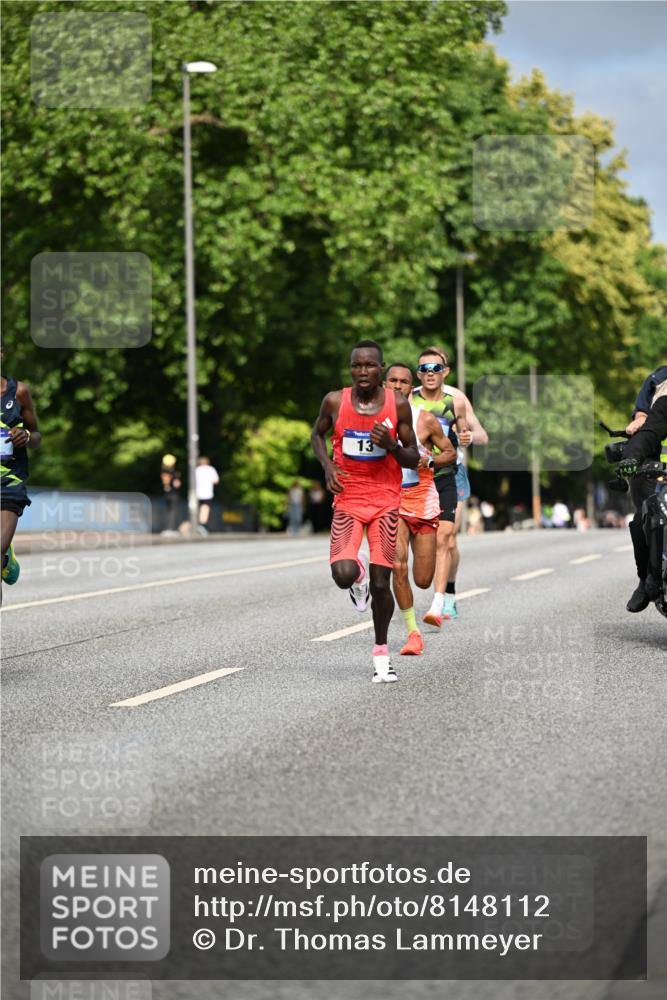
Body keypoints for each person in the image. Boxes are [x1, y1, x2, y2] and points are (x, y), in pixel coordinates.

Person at [311, 340, 419, 682]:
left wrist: (392, 446)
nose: (362, 372)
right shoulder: (334, 400)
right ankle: (358, 581)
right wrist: (328, 466)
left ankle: (381, 655)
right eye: (356, 366)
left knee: (382, 581)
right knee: (343, 574)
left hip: (386, 500)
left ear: (381, 369)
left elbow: (414, 457)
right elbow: (317, 435)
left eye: (370, 366)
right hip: (348, 497)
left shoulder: (397, 404)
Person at [384, 363, 457, 655]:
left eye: (403, 381)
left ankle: (430, 601)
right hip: (391, 500)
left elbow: (449, 453)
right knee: (397, 566)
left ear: (409, 386)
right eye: (392, 380)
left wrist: (429, 461)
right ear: (384, 384)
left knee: (422, 578)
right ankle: (413, 633)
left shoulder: (425, 419)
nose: (398, 385)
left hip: (423, 499)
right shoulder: (372, 419)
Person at [411, 347, 475, 626]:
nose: (430, 374)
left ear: (445, 372)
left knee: (445, 538)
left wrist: (466, 436)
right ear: (418, 373)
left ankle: (441, 600)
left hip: (446, 475)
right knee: (424, 543)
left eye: (435, 368)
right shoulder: (408, 399)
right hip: (415, 479)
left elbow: (462, 434)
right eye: (424, 369)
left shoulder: (455, 402)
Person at [619, 377, 667, 611]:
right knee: (647, 515)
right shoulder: (665, 403)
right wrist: (631, 456)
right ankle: (649, 579)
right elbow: (648, 432)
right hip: (665, 480)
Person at [1, 358, 41, 593]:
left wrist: (26, 435)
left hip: (9, 482)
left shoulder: (19, 392)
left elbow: (36, 436)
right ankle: (5, 559)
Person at [195, 456, 219, 532]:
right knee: (205, 508)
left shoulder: (196, 470)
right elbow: (216, 481)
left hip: (197, 493)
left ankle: (197, 523)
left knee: (199, 508)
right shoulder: (211, 469)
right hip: (207, 493)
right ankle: (202, 524)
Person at [160, 454, 182, 535]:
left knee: (167, 511)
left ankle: (166, 528)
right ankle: (170, 529)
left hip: (166, 494)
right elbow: (177, 484)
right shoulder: (173, 473)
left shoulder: (163, 471)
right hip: (173, 494)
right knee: (173, 512)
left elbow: (164, 482)